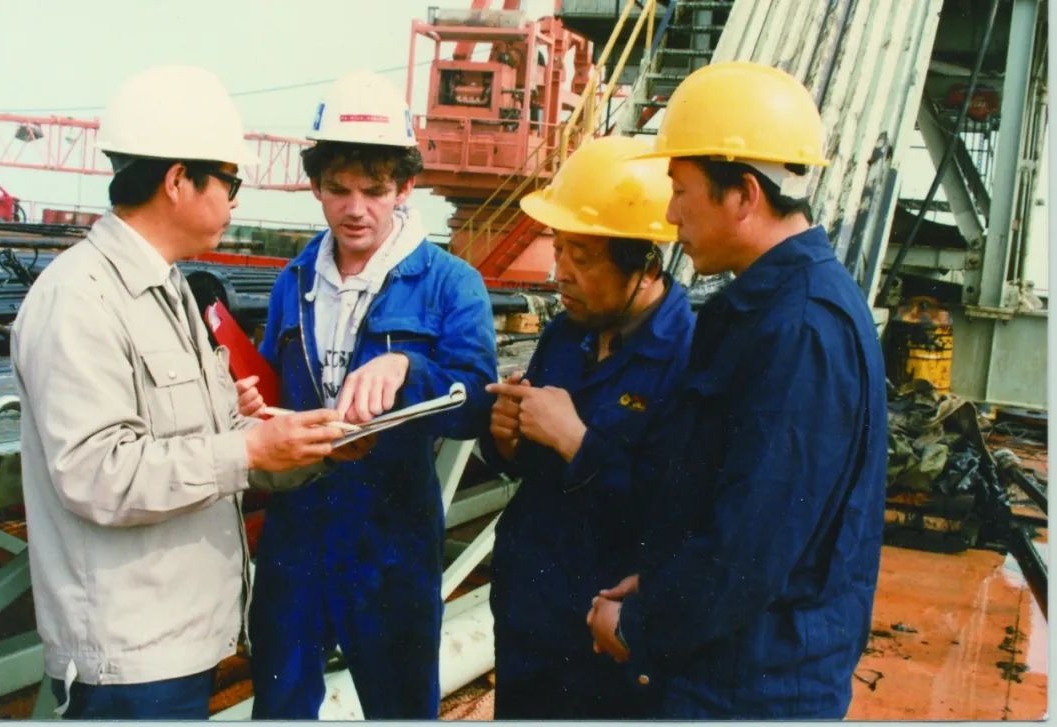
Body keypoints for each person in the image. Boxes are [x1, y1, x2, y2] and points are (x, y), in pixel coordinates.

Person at [10, 65, 343, 721]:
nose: (235, 202)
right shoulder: (79, 299)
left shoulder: (170, 292)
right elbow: (98, 474)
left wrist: (312, 448)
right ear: (177, 180)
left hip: (179, 643)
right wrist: (250, 450)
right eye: (230, 183)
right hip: (128, 660)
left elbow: (219, 437)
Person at [586, 60, 888, 719]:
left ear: (745, 195)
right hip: (737, 665)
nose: (669, 214)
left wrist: (641, 626)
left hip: (752, 687)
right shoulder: (769, 309)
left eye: (680, 190)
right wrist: (660, 582)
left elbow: (751, 547)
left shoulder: (800, 329)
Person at [245, 70, 497, 720]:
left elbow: (478, 404)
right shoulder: (294, 280)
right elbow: (271, 386)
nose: (355, 208)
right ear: (316, 186)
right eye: (339, 189)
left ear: (405, 187)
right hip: (298, 535)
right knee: (279, 707)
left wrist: (407, 366)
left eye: (375, 190)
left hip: (392, 540)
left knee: (399, 709)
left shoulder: (450, 284)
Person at [482, 136, 696, 719]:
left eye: (583, 256)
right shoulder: (565, 333)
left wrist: (576, 441)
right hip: (529, 612)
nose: (561, 274)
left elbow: (680, 508)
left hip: (604, 632)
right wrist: (504, 438)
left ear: (645, 265)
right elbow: (530, 465)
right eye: (559, 250)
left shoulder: (690, 358)